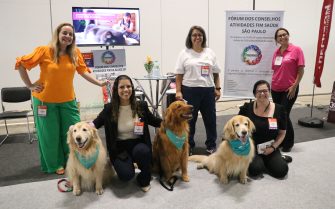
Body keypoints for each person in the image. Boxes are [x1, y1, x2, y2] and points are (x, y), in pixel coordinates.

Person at [15, 23, 108, 175]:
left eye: (71, 34)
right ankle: (55, 164)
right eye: (64, 33)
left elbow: (83, 71)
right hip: (44, 101)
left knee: (74, 133)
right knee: (49, 135)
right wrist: (30, 86)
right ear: (57, 34)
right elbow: (21, 64)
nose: (67, 36)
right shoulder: (44, 51)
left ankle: (73, 161)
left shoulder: (75, 53)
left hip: (68, 101)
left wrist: (99, 83)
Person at [92, 75, 162, 192]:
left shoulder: (141, 105)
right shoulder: (109, 109)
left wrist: (171, 122)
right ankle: (128, 164)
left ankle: (144, 178)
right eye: (122, 87)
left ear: (132, 88)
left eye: (129, 86)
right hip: (119, 148)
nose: (126, 90)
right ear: (116, 90)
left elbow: (154, 121)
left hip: (137, 144)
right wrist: (80, 127)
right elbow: (95, 123)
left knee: (143, 152)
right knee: (126, 176)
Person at [175, 25, 221, 155]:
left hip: (208, 91)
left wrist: (217, 88)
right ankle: (189, 145)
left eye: (200, 35)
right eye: (194, 35)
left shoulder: (210, 52)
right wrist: (178, 91)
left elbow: (216, 73)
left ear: (203, 37)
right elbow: (179, 75)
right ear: (190, 37)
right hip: (189, 91)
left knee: (210, 120)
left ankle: (211, 145)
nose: (197, 37)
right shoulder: (184, 53)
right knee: (189, 120)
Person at [238, 80, 290, 179]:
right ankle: (261, 162)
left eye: (265, 91)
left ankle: (273, 159)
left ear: (269, 92)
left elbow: (282, 133)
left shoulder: (280, 109)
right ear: (254, 94)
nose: (262, 94)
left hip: (270, 147)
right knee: (255, 170)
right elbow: (237, 128)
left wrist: (273, 148)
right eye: (259, 91)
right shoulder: (246, 108)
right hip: (251, 147)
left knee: (281, 171)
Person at [271, 27, 305, 152]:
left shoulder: (296, 50)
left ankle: (288, 142)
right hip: (275, 88)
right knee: (278, 115)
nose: (282, 37)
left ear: (288, 35)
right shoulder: (276, 52)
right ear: (276, 39)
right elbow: (275, 69)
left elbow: (301, 70)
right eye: (279, 36)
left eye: (284, 34)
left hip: (289, 89)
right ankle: (280, 140)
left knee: (284, 114)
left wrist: (294, 86)